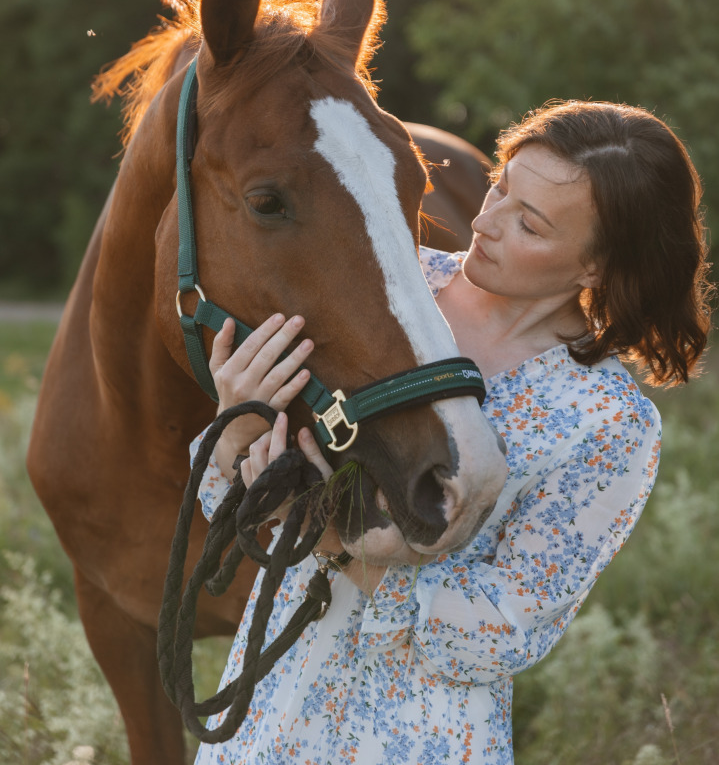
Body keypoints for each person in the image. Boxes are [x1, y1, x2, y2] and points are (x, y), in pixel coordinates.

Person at [190, 100, 712, 765]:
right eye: (499, 186)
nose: (486, 222)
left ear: (594, 266)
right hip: (266, 710)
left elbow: (503, 632)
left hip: (417, 740)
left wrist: (339, 540)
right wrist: (235, 421)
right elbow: (223, 510)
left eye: (529, 223)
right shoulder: (378, 290)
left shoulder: (607, 422)